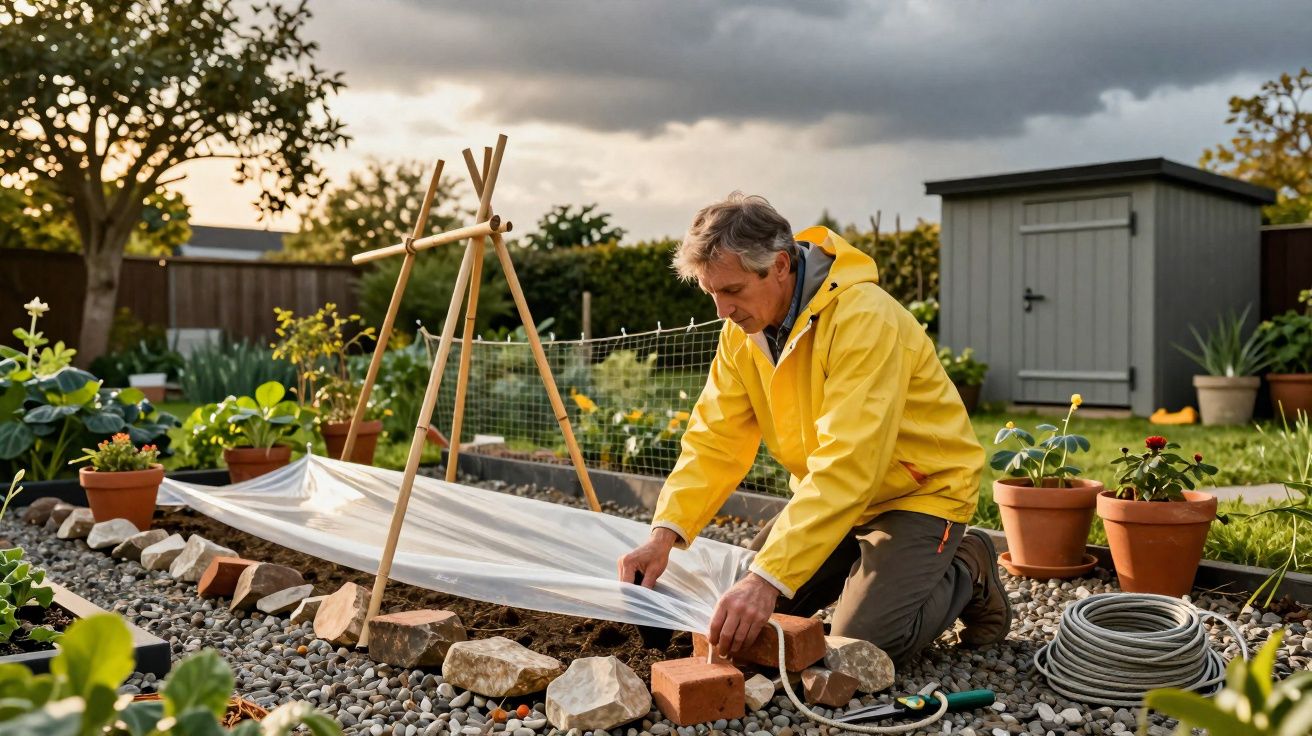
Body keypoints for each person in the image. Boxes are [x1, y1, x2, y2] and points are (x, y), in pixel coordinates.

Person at [617, 192, 1010, 664]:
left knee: (860, 646)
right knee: (743, 621)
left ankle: (969, 565)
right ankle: (869, 570)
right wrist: (663, 535)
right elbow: (714, 440)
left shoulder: (863, 319)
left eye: (733, 290)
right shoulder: (743, 334)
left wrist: (767, 578)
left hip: (918, 493)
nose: (721, 309)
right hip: (831, 498)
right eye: (711, 292)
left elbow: (850, 462)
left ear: (780, 265)